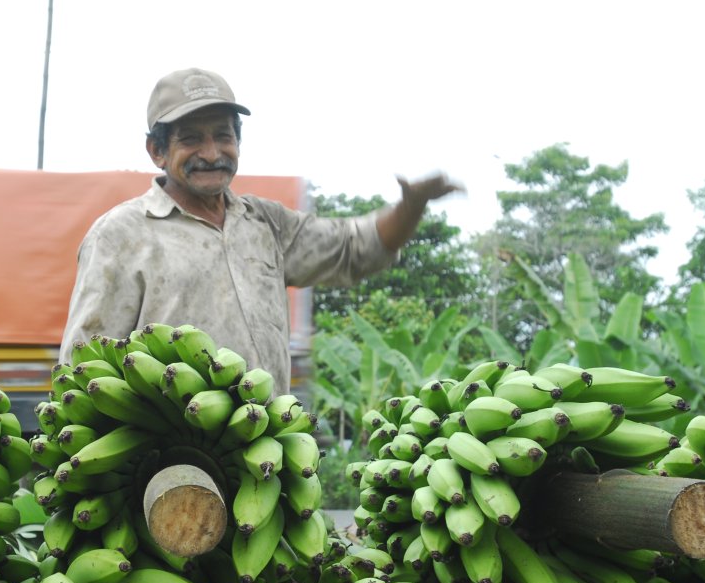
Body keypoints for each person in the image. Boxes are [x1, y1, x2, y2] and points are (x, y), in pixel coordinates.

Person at [60, 67, 463, 393]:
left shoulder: (265, 223)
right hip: (169, 459)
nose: (212, 153)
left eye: (223, 136)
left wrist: (412, 205)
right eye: (191, 139)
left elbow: (355, 247)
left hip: (265, 448)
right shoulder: (122, 234)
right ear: (157, 151)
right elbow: (84, 366)